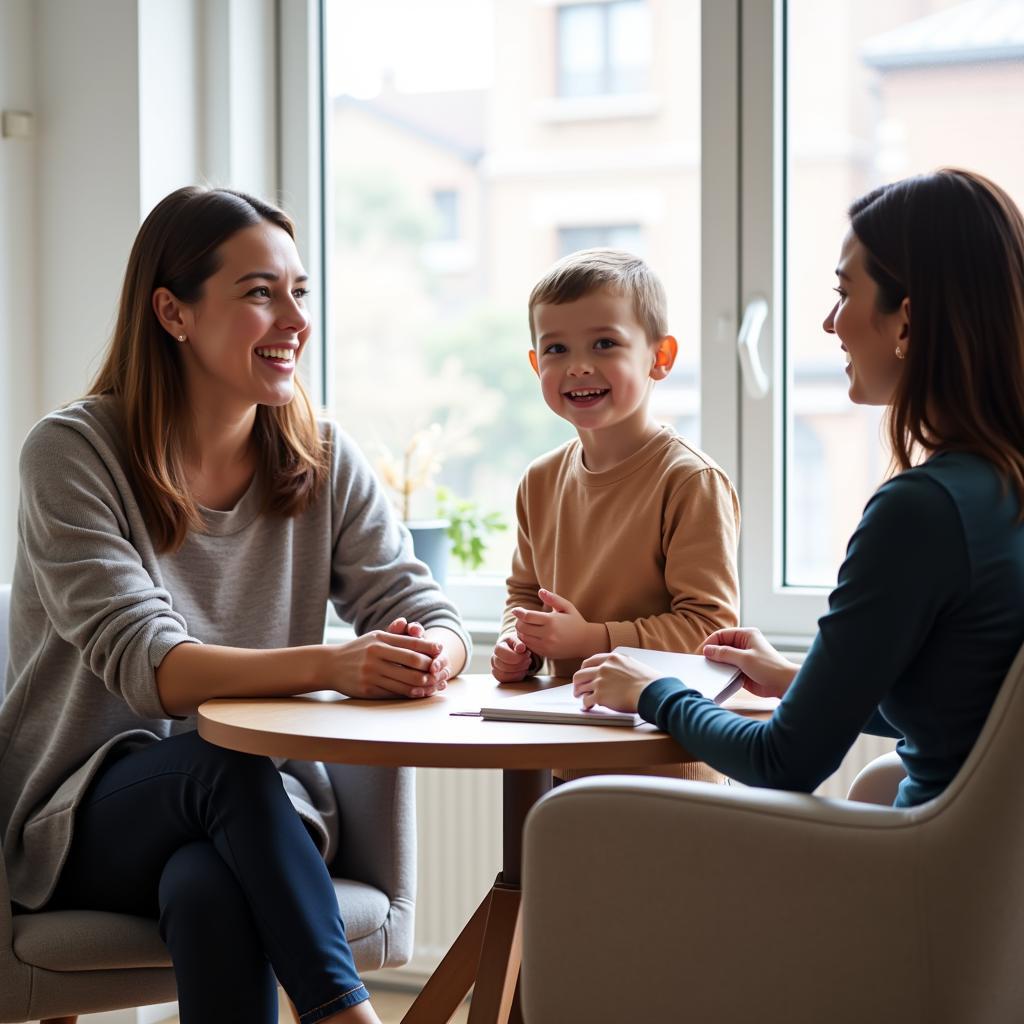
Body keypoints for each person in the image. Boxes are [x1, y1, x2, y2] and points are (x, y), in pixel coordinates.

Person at [0, 185, 470, 1024]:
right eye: (260, 293)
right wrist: (335, 664)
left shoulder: (322, 457)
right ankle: (348, 1016)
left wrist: (438, 649)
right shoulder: (72, 454)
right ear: (173, 312)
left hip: (262, 815)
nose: (293, 318)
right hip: (81, 819)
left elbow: (415, 598)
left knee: (209, 884)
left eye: (299, 292)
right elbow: (152, 667)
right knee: (223, 761)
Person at [574, 168, 1024, 808]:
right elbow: (962, 706)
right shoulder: (999, 488)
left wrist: (652, 691)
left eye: (845, 294)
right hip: (988, 873)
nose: (828, 322)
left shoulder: (924, 512)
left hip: (936, 878)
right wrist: (797, 679)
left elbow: (783, 761)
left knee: (573, 820)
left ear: (906, 322)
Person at [491, 248, 740, 783]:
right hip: (571, 752)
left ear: (660, 357)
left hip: (667, 762)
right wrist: (520, 644)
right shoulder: (538, 480)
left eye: (605, 343)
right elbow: (524, 595)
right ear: (536, 364)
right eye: (556, 348)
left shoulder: (689, 481)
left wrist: (590, 640)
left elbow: (711, 629)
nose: (578, 365)